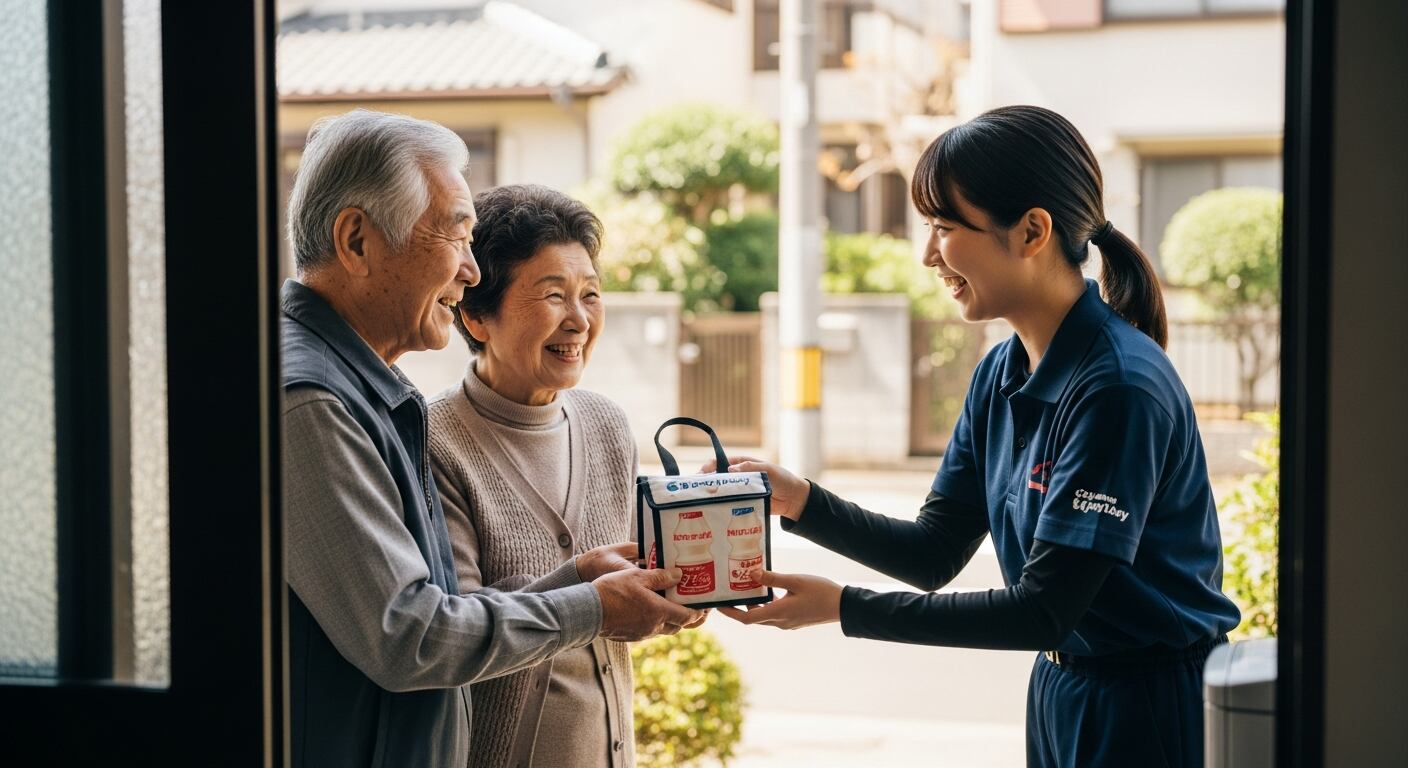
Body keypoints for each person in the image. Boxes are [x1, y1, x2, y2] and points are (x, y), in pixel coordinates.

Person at [712, 105, 1240, 768]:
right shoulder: (1003, 368)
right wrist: (800, 502)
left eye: (943, 227)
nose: (929, 255)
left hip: (1144, 702)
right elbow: (935, 550)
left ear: (1031, 231)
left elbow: (1042, 611)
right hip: (1060, 685)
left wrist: (844, 607)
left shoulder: (1118, 387)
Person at [280, 109, 701, 767]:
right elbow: (410, 637)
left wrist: (578, 581)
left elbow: (439, 612)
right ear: (357, 241)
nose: (472, 271)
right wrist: (588, 606)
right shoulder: (311, 402)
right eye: (455, 235)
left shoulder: (371, 393)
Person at [427, 184, 676, 768]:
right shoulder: (436, 441)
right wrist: (587, 594)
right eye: (553, 295)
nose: (579, 320)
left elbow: (620, 601)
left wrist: (668, 599)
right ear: (475, 316)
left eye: (590, 294)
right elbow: (451, 632)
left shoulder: (608, 425)